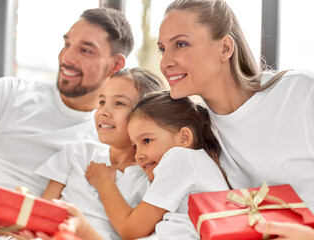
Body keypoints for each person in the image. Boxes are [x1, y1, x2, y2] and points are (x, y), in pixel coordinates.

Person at [158, 0, 314, 238]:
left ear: (225, 48)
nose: (165, 62)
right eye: (162, 49)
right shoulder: (196, 135)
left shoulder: (301, 93)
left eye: (181, 44)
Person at [0, 7, 133, 197]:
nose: (66, 58)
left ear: (116, 65)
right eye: (67, 44)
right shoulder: (11, 91)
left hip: (23, 222)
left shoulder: (106, 139)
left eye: (85, 50)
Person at [32, 68, 165, 239]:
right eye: (101, 102)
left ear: (149, 116)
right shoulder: (77, 153)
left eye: (119, 103)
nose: (103, 111)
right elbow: (41, 213)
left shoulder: (151, 177)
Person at [85, 91, 230, 239]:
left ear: (184, 138)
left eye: (146, 141)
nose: (138, 155)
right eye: (135, 146)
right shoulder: (195, 163)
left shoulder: (181, 158)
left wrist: (104, 183)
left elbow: (131, 229)